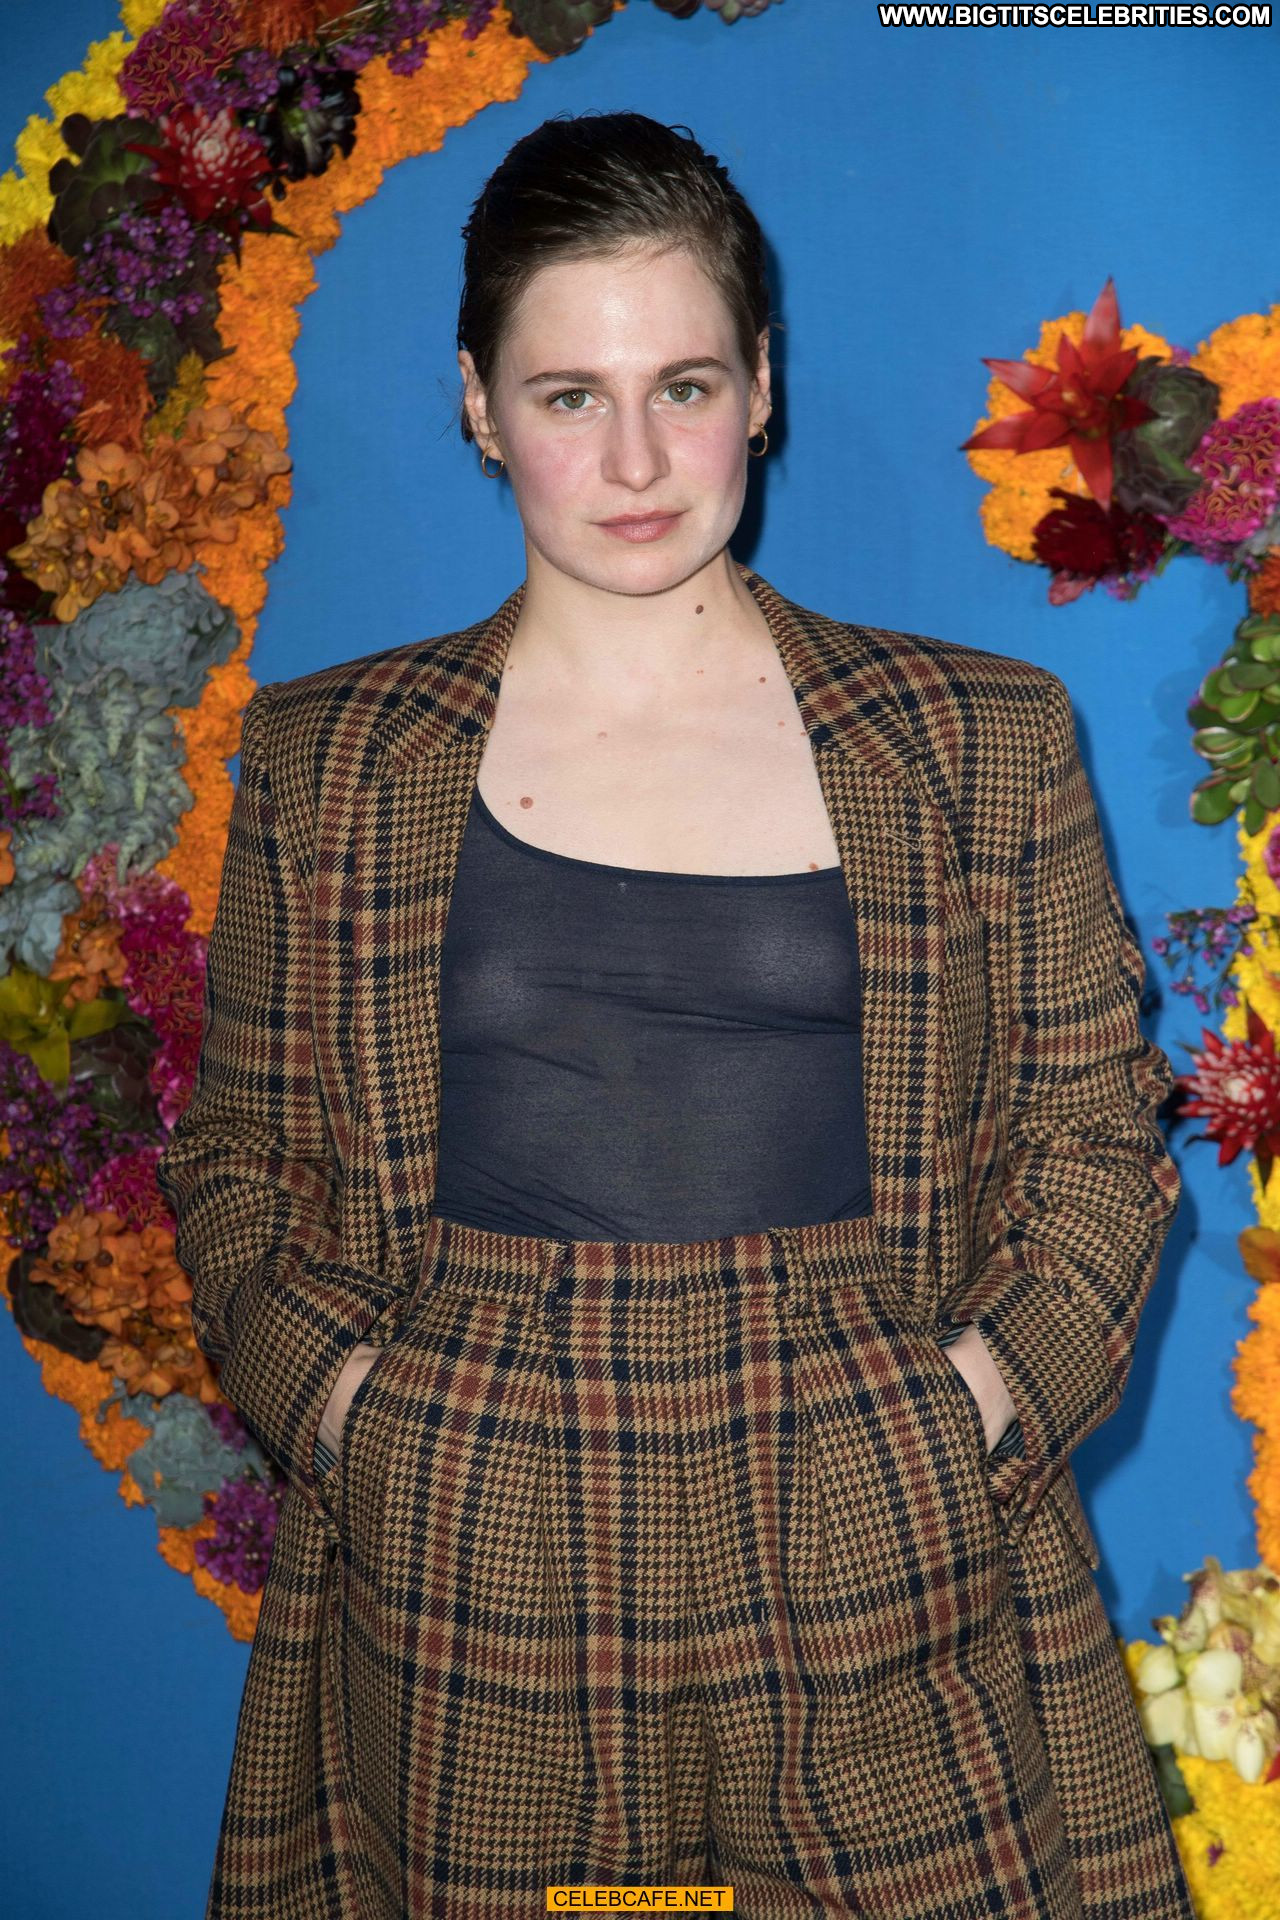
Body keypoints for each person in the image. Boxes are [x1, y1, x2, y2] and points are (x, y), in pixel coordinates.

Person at [156, 110, 1197, 1919]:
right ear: (480, 406)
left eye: (685, 386)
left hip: (882, 1523)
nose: (636, 459)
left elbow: (1098, 1144)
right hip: (474, 1543)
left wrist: (969, 1408)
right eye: (570, 396)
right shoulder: (334, 761)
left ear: (762, 386)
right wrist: (356, 1414)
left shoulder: (977, 739)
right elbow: (240, 1157)